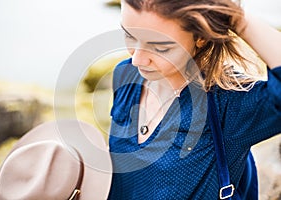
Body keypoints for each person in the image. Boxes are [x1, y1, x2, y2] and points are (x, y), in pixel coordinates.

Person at [107, 0, 281, 199]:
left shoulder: (228, 103)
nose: (137, 59)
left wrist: (237, 18)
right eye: (130, 35)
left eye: (160, 48)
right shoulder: (125, 74)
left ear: (201, 37)